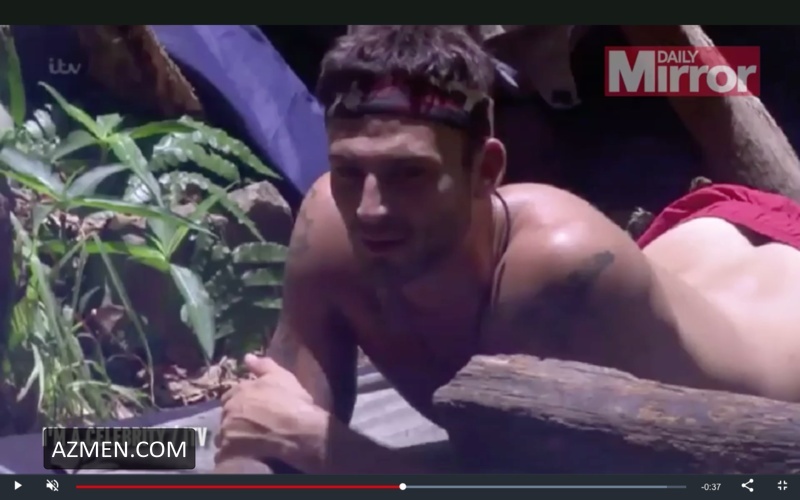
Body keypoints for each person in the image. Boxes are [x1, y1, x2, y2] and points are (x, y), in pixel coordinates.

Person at [215, 25, 800, 474]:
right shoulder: (330, 224)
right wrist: (281, 441)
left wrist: (323, 445)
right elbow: (262, 429)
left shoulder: (556, 282)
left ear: (487, 170)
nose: (369, 208)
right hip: (689, 264)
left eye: (409, 174)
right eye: (348, 170)